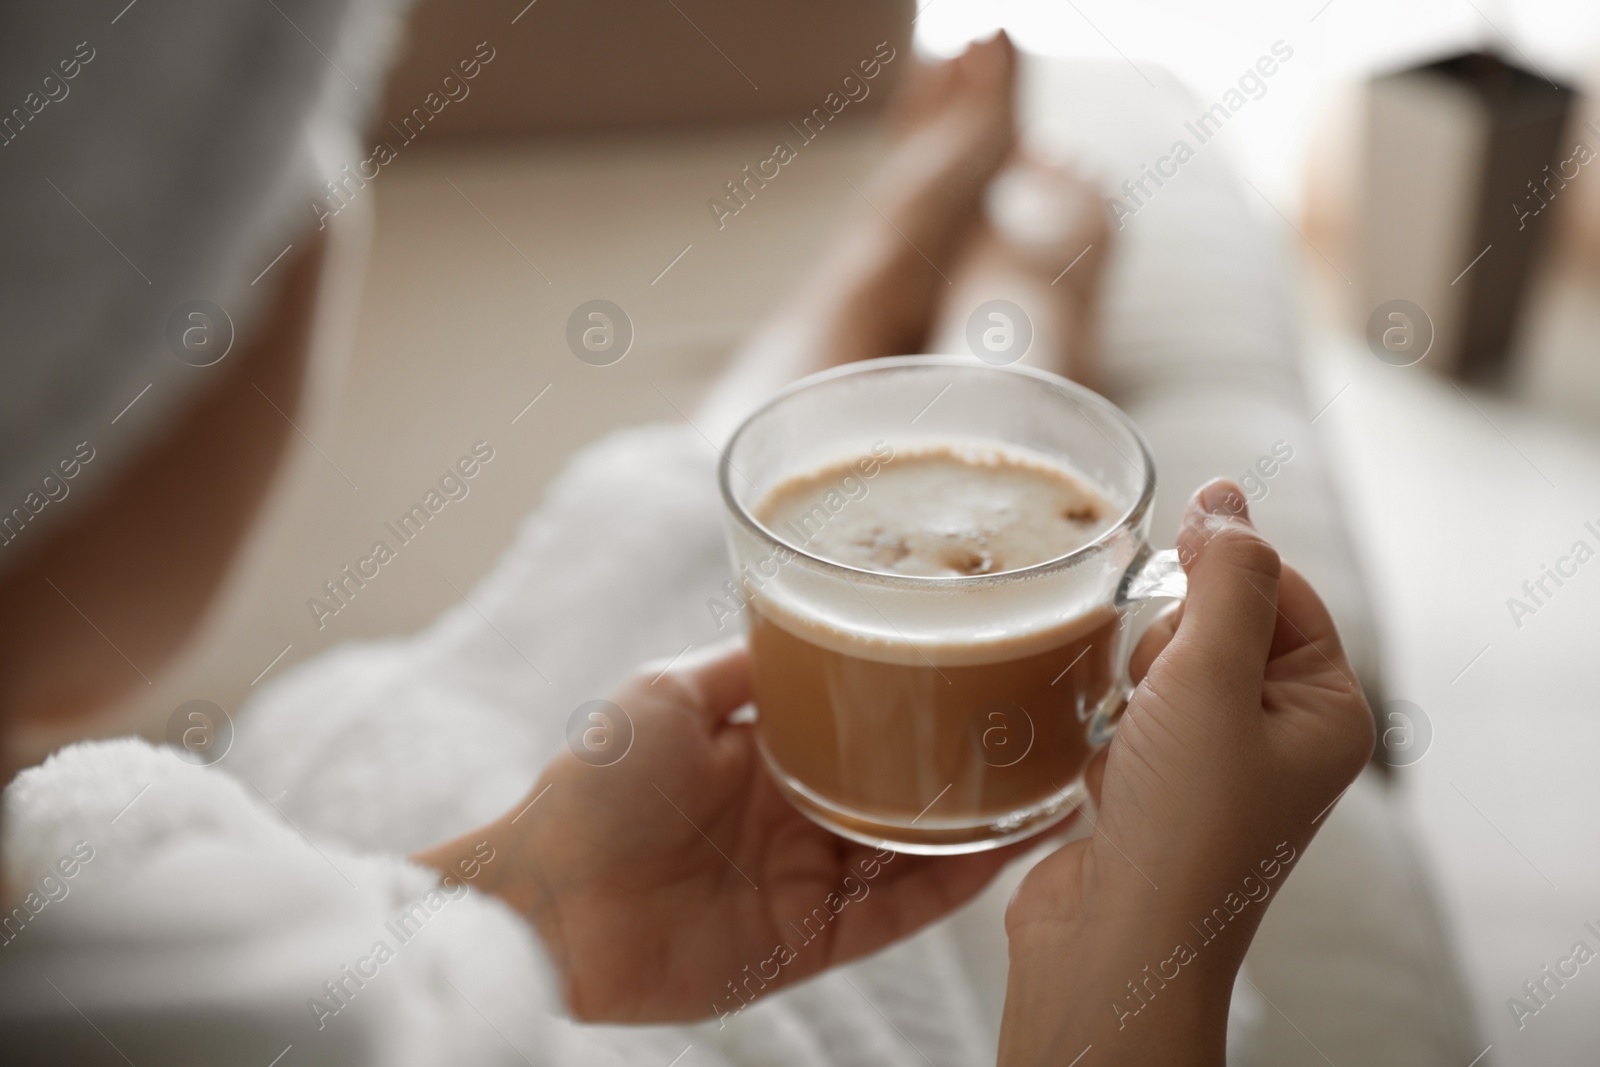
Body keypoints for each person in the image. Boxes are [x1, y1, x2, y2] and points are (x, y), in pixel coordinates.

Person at [0, 9, 1374, 1064]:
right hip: (708, 957)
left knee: (655, 520)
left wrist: (531, 891)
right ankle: (999, 299)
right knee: (682, 551)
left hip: (431, 846)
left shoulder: (82, 928)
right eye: (283, 204)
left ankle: (890, 249)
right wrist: (1142, 974)